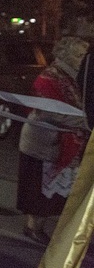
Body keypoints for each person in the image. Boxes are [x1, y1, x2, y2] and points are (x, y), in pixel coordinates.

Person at [17, 36, 90, 244]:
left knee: (51, 191)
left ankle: (37, 226)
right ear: (64, 55)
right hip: (43, 144)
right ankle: (33, 228)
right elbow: (53, 113)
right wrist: (86, 122)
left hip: (57, 142)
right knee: (40, 192)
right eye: (77, 55)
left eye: (83, 55)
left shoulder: (69, 77)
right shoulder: (49, 78)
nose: (81, 59)